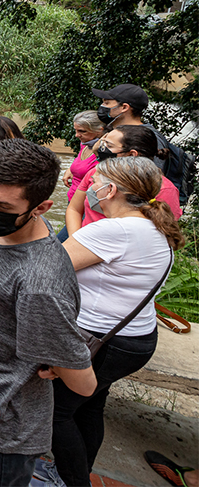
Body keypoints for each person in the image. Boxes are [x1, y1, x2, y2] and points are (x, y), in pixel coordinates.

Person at [0, 139, 97, 487]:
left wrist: (57, 363)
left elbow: (84, 383)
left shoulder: (39, 283)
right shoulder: (1, 230)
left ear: (41, 207)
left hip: (6, 424)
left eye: (1, 204)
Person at [51, 157, 183, 487]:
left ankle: (75, 481)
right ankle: (80, 471)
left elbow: (48, 270)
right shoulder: (156, 226)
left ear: (110, 190)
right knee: (89, 406)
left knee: (55, 413)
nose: (89, 187)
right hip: (133, 339)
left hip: (100, 341)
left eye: (95, 181)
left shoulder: (113, 230)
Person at [65, 125, 182, 236]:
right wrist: (76, 239)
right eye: (103, 144)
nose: (102, 149)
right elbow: (74, 209)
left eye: (109, 146)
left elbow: (164, 234)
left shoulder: (164, 189)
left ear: (131, 154)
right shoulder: (96, 173)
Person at [91, 83, 190, 206]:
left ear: (124, 107)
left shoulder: (148, 137)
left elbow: (150, 181)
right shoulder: (116, 132)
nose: (102, 107)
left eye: (106, 103)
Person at [62, 110, 104, 202]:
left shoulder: (104, 152)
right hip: (72, 199)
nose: (77, 135)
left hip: (86, 205)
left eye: (82, 131)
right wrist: (70, 169)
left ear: (99, 130)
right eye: (76, 130)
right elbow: (80, 162)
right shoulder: (84, 144)